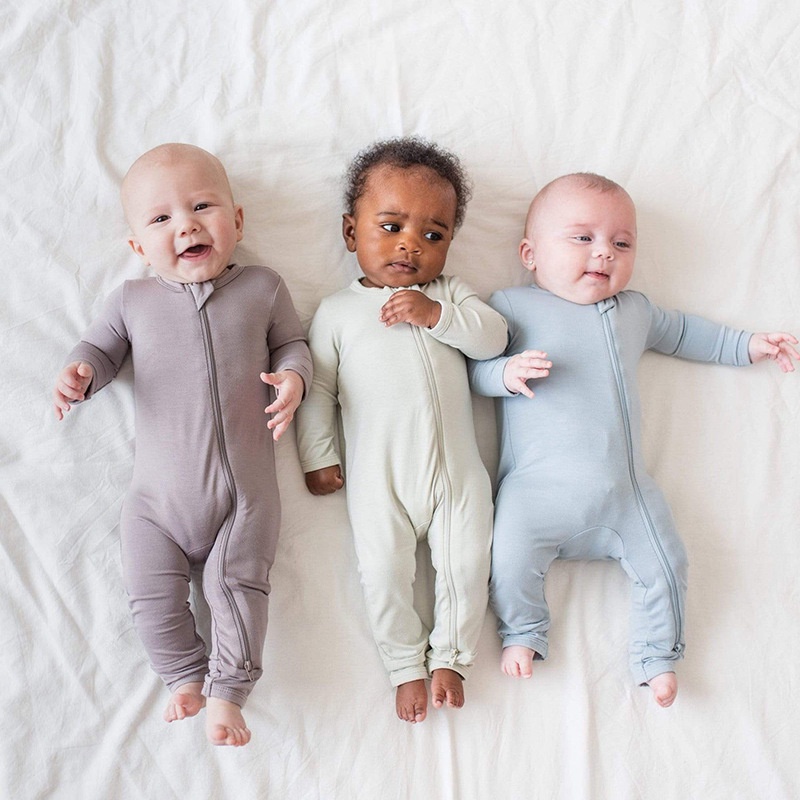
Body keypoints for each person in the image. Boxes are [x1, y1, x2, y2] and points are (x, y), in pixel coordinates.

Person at [468, 172, 798, 707]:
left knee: (669, 563)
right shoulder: (511, 306)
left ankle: (657, 655)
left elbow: (688, 334)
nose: (604, 253)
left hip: (626, 494)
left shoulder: (635, 311)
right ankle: (523, 631)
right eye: (583, 238)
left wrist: (748, 344)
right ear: (530, 254)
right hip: (536, 491)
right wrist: (504, 374)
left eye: (622, 244)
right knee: (506, 559)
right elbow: (473, 369)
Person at [52, 143, 312, 745]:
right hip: (154, 505)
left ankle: (228, 692)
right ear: (139, 247)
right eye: (161, 218)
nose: (187, 225)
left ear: (237, 220)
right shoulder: (131, 301)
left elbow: (292, 344)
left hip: (243, 498)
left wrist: (294, 377)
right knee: (150, 595)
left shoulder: (263, 288)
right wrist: (80, 373)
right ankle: (183, 676)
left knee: (237, 588)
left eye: (202, 206)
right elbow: (99, 350)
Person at [296, 138, 508, 723]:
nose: (411, 244)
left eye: (433, 235)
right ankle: (405, 666)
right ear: (350, 232)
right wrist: (317, 456)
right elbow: (317, 392)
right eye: (391, 227)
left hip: (457, 477)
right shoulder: (336, 313)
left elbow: (494, 338)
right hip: (378, 479)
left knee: (467, 565)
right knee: (383, 574)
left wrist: (435, 314)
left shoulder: (449, 295)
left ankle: (452, 658)